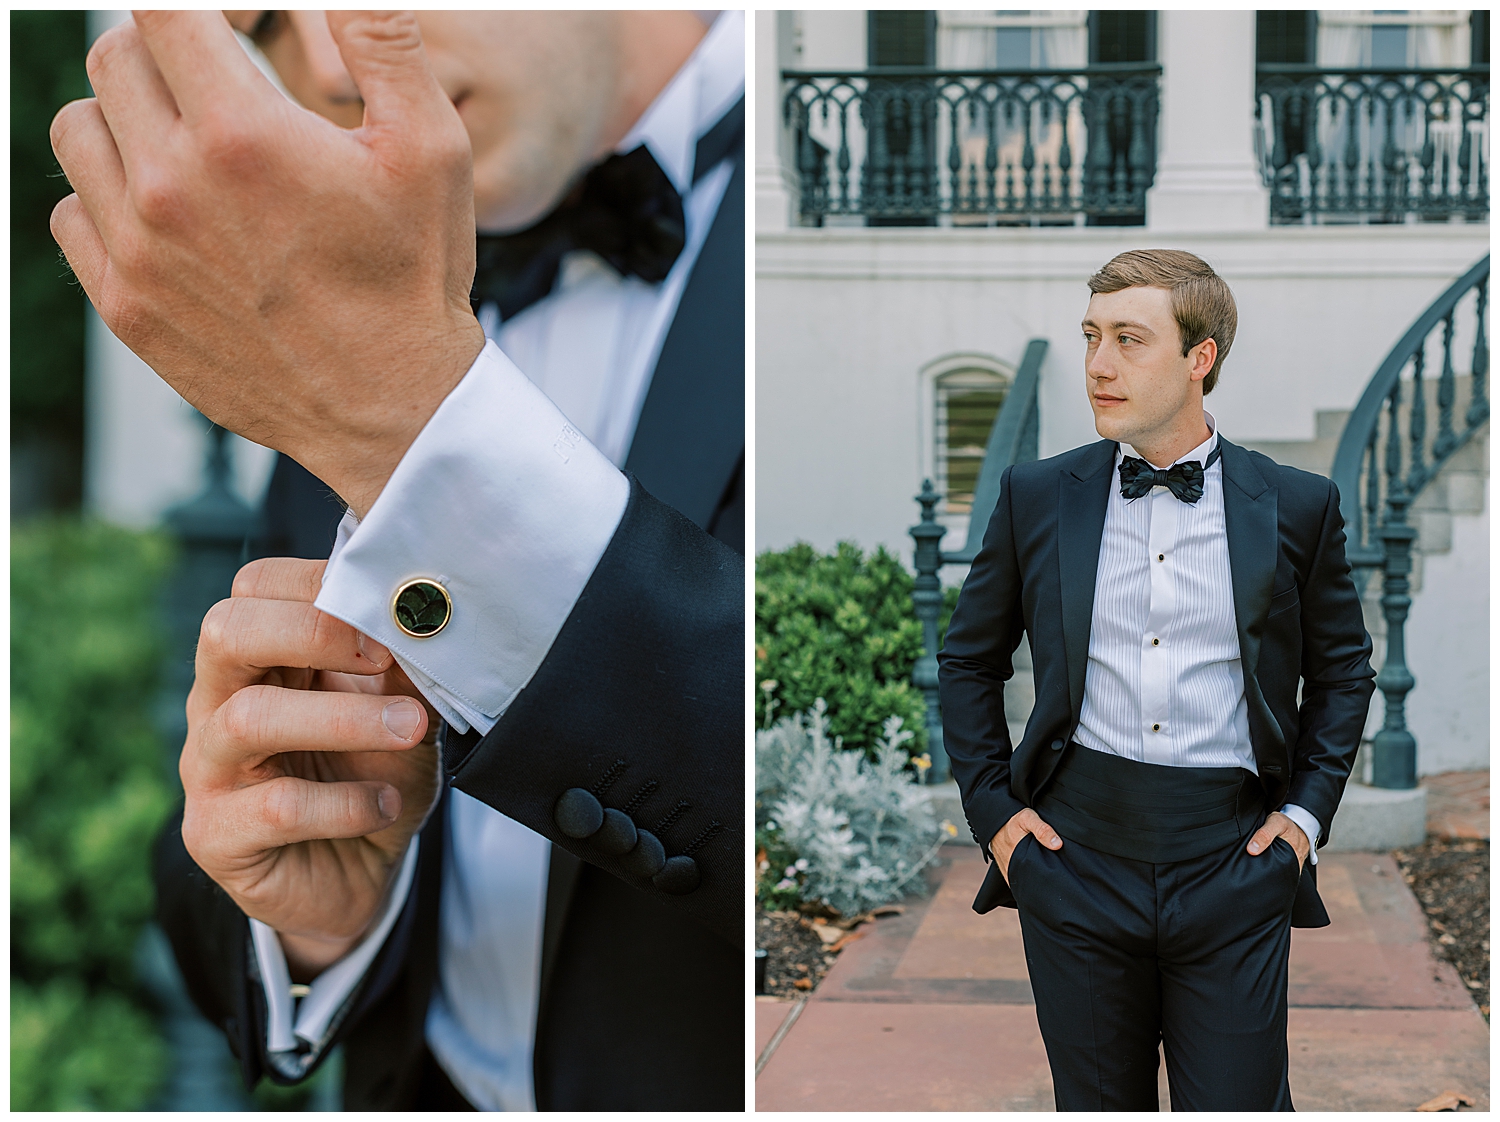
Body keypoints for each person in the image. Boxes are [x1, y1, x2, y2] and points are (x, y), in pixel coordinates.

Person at [50, 10, 744, 1110]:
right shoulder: (320, 259)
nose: (326, 66)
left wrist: (407, 423)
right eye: (269, 19)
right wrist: (316, 928)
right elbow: (225, 838)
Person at [938, 249, 1375, 1111]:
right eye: (1092, 336)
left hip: (1233, 864)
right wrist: (997, 819)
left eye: (1129, 340)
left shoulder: (1294, 504)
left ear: (1198, 358)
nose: (1098, 364)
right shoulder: (1038, 494)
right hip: (1073, 863)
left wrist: (1302, 821)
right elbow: (969, 660)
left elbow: (1343, 671)